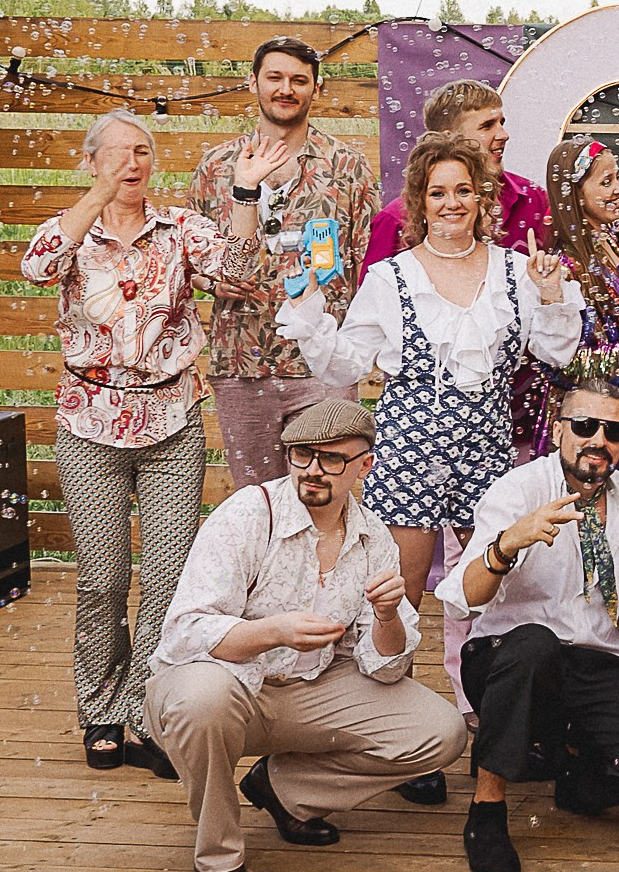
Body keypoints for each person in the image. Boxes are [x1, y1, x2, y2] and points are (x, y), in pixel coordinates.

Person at [20, 110, 278, 776]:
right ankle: (100, 710)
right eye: (116, 154)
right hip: (89, 426)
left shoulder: (182, 230)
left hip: (171, 421)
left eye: (142, 151)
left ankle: (146, 712)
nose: (132, 163)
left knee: (167, 579)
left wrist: (245, 196)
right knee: (103, 581)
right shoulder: (74, 231)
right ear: (90, 161)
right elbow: (36, 266)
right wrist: (100, 196)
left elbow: (243, 275)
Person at [144, 400, 467, 872]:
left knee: (439, 733)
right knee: (201, 699)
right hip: (223, 685)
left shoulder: (373, 537)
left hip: (311, 691)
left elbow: (386, 670)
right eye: (301, 455)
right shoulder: (251, 513)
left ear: (365, 464)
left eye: (331, 458)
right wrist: (273, 631)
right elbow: (185, 632)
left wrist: (386, 617)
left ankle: (286, 790)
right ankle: (219, 853)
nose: (313, 470)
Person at [279, 130, 585, 607]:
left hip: (489, 452)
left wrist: (550, 295)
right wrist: (307, 307)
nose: (451, 203)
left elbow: (557, 353)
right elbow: (344, 364)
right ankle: (388, 677)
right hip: (407, 454)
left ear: (481, 197)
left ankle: (486, 681)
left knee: (502, 593)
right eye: (437, 192)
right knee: (396, 596)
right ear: (419, 203)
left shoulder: (517, 270)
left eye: (463, 190)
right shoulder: (391, 276)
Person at [443, 379, 619, 872]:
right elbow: (462, 599)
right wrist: (505, 545)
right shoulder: (519, 490)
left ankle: (572, 777)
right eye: (584, 426)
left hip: (595, 661)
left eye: (614, 430)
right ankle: (487, 810)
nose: (598, 439)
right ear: (558, 431)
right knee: (535, 643)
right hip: (508, 662)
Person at [189, 36, 380, 489]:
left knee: (329, 496)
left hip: (324, 365)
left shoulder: (348, 167)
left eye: (299, 80)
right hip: (241, 361)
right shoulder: (215, 167)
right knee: (258, 503)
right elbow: (190, 259)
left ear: (317, 89)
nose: (286, 89)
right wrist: (212, 284)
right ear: (253, 82)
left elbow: (374, 263)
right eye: (274, 77)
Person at [520, 137, 619, 470]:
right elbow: (563, 364)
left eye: (618, 177)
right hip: (587, 423)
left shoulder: (609, 245)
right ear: (574, 193)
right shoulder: (564, 269)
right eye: (606, 181)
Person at [361, 79, 551, 276]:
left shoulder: (533, 199)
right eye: (487, 126)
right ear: (449, 138)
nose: (504, 135)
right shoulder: (395, 219)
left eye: (501, 123)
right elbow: (374, 298)